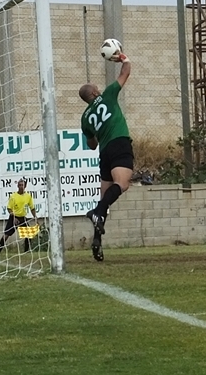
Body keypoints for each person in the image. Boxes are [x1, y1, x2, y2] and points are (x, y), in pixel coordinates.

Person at [79, 51, 133, 262]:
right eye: (96, 88)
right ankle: (97, 212)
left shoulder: (85, 118)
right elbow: (125, 72)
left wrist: (98, 132)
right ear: (94, 93)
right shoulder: (108, 95)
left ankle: (97, 241)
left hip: (104, 152)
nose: (99, 89)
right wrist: (123, 58)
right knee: (123, 184)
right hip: (119, 142)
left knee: (105, 198)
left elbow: (92, 144)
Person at [0, 178, 38, 254]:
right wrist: (14, 217)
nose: (21, 186)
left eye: (22, 185)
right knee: (6, 235)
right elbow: (9, 209)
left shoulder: (28, 196)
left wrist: (35, 217)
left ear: (25, 186)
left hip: (22, 218)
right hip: (14, 218)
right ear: (18, 186)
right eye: (20, 185)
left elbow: (32, 208)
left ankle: (26, 252)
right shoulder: (13, 196)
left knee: (28, 234)